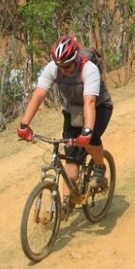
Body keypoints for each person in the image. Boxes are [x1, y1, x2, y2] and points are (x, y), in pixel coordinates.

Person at [17, 35, 113, 211]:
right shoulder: (53, 68)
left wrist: (87, 131)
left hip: (99, 107)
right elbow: (38, 96)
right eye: (61, 66)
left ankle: (99, 167)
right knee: (71, 158)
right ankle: (66, 202)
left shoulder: (89, 69)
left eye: (68, 66)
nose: (65, 70)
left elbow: (90, 102)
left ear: (76, 58)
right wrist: (24, 124)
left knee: (90, 141)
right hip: (74, 110)